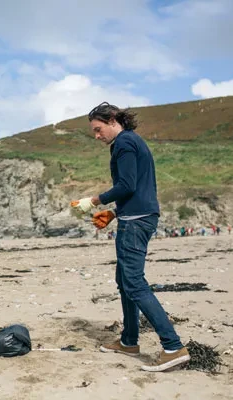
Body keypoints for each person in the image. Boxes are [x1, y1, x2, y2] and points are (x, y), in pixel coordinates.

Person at [70, 102, 190, 372]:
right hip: (136, 216)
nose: (96, 136)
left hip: (136, 222)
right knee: (124, 279)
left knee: (133, 282)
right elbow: (136, 188)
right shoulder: (132, 141)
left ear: (113, 120)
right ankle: (129, 341)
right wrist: (114, 213)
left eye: (98, 129)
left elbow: (127, 184)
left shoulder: (123, 143)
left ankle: (173, 346)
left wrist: (94, 201)